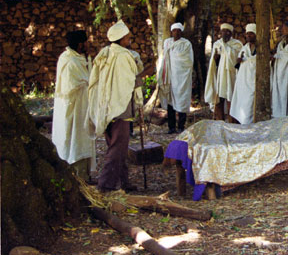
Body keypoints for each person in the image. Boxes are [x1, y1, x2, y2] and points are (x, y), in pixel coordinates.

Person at [88, 20, 153, 192]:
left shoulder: (105, 53)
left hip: (106, 107)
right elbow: (128, 83)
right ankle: (105, 185)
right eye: (127, 37)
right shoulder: (123, 56)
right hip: (120, 108)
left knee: (117, 147)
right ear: (121, 38)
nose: (129, 39)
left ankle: (124, 182)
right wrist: (147, 73)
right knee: (117, 148)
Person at [51, 30, 95, 181]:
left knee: (83, 137)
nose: (88, 45)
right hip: (73, 107)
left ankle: (86, 175)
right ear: (80, 44)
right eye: (85, 42)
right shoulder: (70, 61)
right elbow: (73, 84)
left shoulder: (79, 58)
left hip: (82, 106)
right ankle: (77, 177)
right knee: (74, 140)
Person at [158, 22, 194, 133]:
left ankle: (181, 126)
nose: (176, 32)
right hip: (170, 76)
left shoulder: (186, 44)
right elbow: (165, 57)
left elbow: (188, 60)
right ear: (171, 32)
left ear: (181, 32)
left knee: (182, 100)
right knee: (170, 101)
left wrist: (176, 58)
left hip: (182, 77)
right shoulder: (167, 42)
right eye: (174, 30)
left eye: (178, 30)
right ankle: (171, 127)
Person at [204, 23, 243, 121]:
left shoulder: (237, 44)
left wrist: (227, 50)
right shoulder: (217, 44)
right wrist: (216, 59)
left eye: (227, 31)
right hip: (220, 75)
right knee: (219, 98)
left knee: (231, 97)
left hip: (231, 75)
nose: (225, 33)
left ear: (231, 33)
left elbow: (236, 61)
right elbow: (215, 63)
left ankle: (232, 120)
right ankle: (219, 121)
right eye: (223, 31)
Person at [230, 23, 257, 124]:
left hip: (254, 81)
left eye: (251, 34)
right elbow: (238, 65)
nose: (248, 36)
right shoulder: (244, 49)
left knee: (251, 105)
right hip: (244, 82)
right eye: (247, 34)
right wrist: (239, 61)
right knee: (243, 105)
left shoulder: (260, 49)